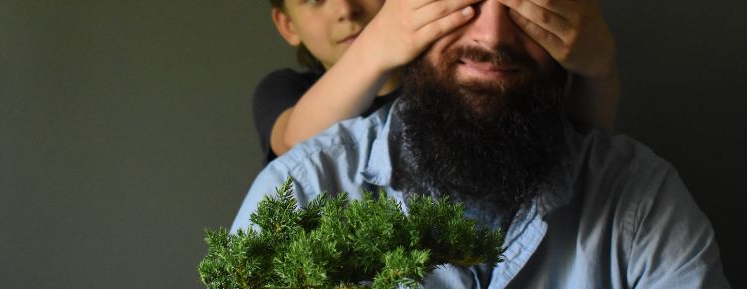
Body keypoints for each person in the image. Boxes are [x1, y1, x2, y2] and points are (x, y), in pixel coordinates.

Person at [187, 1, 747, 289]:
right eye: (461, 2)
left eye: (523, 3)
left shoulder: (638, 198)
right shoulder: (305, 188)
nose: (491, 36)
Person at [254, 0, 619, 163]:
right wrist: (378, 44)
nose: (346, 9)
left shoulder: (444, 73)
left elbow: (582, 134)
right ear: (287, 25)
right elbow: (295, 142)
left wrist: (598, 63)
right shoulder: (283, 88)